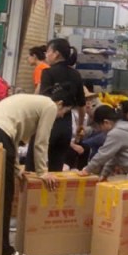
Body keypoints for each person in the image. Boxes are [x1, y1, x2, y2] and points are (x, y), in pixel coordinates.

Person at [0, 85, 76, 255]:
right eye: (64, 112)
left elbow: (14, 139)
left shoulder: (28, 101)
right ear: (60, 103)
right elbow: (41, 141)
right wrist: (43, 172)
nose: (60, 116)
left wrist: (17, 169)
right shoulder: (50, 106)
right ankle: (5, 252)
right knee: (4, 197)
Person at [38, 38, 86, 169]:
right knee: (56, 167)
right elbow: (82, 105)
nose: (46, 55)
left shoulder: (48, 72)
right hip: (66, 127)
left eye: (48, 51)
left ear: (56, 54)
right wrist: (80, 125)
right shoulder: (75, 74)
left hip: (49, 123)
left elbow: (43, 101)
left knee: (35, 167)